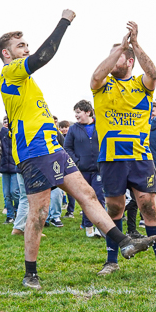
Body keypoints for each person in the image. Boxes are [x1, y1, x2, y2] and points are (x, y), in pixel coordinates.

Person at [0, 11, 156, 288]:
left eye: (26, 44)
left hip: (52, 149)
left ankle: (125, 243)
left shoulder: (23, 80)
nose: (27, 48)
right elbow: (43, 56)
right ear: (6, 54)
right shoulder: (11, 72)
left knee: (88, 195)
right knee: (39, 213)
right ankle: (30, 273)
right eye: (20, 45)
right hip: (34, 152)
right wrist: (64, 23)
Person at [91, 21, 156, 276]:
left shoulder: (141, 84)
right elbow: (95, 76)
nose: (111, 61)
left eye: (118, 57)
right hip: (111, 157)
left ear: (129, 61)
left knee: (148, 205)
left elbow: (154, 74)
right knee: (114, 208)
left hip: (139, 156)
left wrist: (134, 44)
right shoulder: (102, 86)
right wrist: (117, 49)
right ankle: (111, 260)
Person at [65, 99, 106, 238]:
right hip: (82, 170)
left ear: (88, 112)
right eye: (75, 113)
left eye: (78, 112)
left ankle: (100, 227)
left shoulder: (100, 126)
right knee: (86, 198)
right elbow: (67, 148)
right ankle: (88, 226)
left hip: (99, 169)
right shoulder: (73, 129)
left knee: (99, 197)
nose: (76, 116)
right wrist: (77, 161)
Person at [0, 115, 20, 225]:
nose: (6, 123)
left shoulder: (16, 133)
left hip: (15, 168)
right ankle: (9, 216)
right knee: (6, 194)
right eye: (5, 121)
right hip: (4, 167)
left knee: (14, 192)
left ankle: (17, 210)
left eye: (8, 121)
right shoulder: (2, 134)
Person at [57, 120, 76, 218]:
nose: (64, 129)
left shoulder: (72, 137)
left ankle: (71, 210)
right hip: (59, 165)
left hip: (69, 164)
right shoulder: (57, 137)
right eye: (62, 127)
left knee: (71, 190)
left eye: (66, 127)